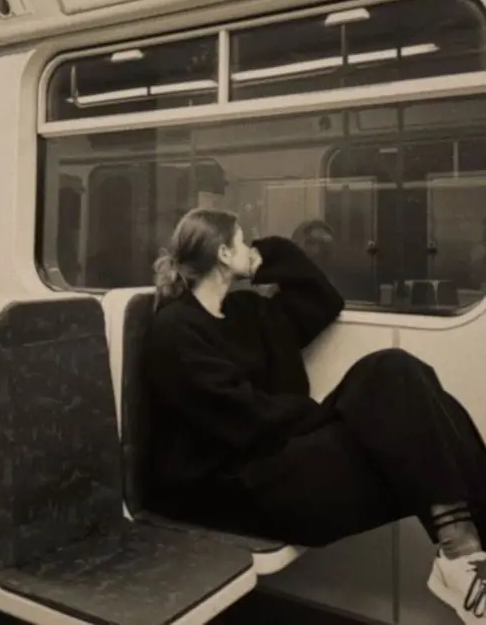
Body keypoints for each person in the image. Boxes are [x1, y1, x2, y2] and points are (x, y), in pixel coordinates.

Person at [147, 207, 486, 624]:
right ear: (223, 253)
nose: (251, 247)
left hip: (283, 455)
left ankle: (464, 556)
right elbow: (241, 419)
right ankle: (463, 556)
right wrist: (326, 414)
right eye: (243, 240)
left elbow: (322, 299)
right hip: (237, 484)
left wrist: (269, 255)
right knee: (408, 421)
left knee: (405, 383)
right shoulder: (175, 330)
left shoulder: (247, 312)